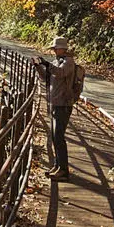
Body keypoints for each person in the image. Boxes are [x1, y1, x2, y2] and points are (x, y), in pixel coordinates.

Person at [36, 35, 84, 180]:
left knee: (59, 137)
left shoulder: (68, 62)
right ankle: (58, 166)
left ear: (63, 49)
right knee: (55, 137)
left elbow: (60, 72)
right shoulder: (56, 62)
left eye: (56, 48)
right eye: (54, 49)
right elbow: (47, 77)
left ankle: (63, 170)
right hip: (55, 103)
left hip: (64, 104)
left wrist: (46, 64)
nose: (54, 51)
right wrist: (38, 66)